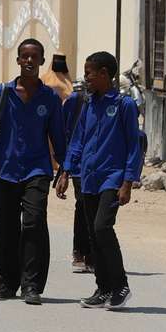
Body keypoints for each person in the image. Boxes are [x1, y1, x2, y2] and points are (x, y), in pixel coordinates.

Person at [0, 38, 67, 305]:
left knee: (34, 222)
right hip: (5, 168)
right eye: (25, 56)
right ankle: (7, 282)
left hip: (37, 169)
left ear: (42, 61)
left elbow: (58, 136)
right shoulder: (2, 93)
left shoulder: (50, 98)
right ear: (18, 60)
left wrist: (65, 169)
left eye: (35, 56)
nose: (29, 61)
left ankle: (32, 285)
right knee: (6, 226)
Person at [56, 51, 141, 311]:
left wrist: (128, 182)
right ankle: (103, 288)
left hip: (112, 178)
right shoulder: (89, 104)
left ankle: (121, 285)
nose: (86, 78)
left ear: (104, 74)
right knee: (93, 234)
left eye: (89, 73)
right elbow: (78, 141)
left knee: (103, 227)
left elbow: (134, 146)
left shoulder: (124, 105)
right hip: (88, 177)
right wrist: (66, 171)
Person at [61, 81, 94, 274]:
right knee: (83, 206)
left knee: (96, 209)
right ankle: (81, 251)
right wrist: (66, 165)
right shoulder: (77, 100)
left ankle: (93, 253)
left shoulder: (117, 102)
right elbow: (65, 129)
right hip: (79, 164)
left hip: (102, 167)